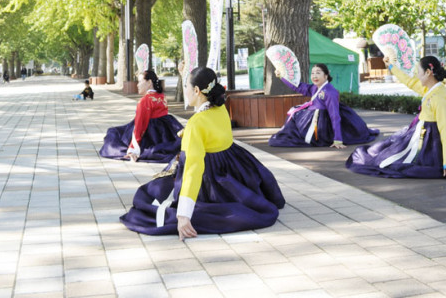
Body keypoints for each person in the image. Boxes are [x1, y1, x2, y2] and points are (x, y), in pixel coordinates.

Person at [120, 66, 285, 238]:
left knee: (149, 196)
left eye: (186, 86)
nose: (185, 90)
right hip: (233, 167)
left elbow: (193, 168)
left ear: (197, 90)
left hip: (210, 176)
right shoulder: (220, 108)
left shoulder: (196, 124)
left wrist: (184, 215)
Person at [346, 55, 446, 180]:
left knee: (393, 159)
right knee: (388, 152)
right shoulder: (432, 89)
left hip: (433, 139)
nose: (417, 76)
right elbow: (409, 81)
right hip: (425, 133)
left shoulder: (439, 98)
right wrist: (391, 67)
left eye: (418, 72)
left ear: (428, 72)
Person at [269, 63, 379, 148]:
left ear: (326, 75)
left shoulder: (330, 92)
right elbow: (299, 87)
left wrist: (338, 139)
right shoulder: (314, 87)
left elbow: (334, 116)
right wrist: (282, 77)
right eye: (312, 73)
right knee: (294, 114)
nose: (314, 76)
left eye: (318, 73)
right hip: (312, 117)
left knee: (295, 126)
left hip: (323, 123)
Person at [99, 69, 182, 161]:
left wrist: (133, 149)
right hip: (164, 132)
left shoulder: (145, 100)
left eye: (140, 82)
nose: (137, 85)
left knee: (113, 133)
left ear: (149, 82)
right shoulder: (162, 96)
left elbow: (140, 125)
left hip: (150, 133)